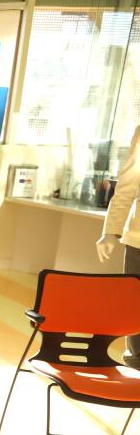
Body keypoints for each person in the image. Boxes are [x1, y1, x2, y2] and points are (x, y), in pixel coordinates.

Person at [96, 124, 140, 367]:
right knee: (136, 319)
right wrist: (110, 231)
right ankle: (134, 389)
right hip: (138, 242)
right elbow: (127, 187)